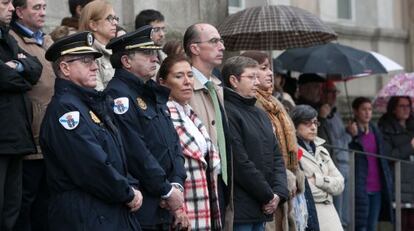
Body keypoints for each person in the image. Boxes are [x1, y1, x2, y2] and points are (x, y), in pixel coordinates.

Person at [39, 31, 142, 231]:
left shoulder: (88, 103)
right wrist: (127, 192)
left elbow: (117, 156)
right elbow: (91, 166)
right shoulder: (66, 110)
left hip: (105, 210)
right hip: (86, 214)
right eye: (86, 61)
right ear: (65, 68)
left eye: (94, 60)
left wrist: (130, 186)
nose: (95, 66)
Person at [105, 26, 186, 231]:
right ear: (126, 61)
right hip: (143, 208)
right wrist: (166, 190)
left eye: (154, 52)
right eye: (147, 53)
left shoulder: (150, 92)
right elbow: (135, 151)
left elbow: (173, 144)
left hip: (164, 205)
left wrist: (175, 185)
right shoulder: (118, 96)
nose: (156, 59)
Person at [222, 56, 288, 231]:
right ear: (234, 80)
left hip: (263, 206)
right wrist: (268, 196)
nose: (257, 83)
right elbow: (240, 163)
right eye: (251, 77)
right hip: (241, 209)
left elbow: (277, 156)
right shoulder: (228, 112)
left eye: (257, 77)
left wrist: (279, 193)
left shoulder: (259, 113)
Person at [158, 55, 222, 230]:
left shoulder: (189, 113)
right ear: (163, 82)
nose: (187, 81)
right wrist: (178, 208)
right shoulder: (163, 114)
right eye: (179, 76)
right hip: (181, 208)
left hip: (204, 203)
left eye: (190, 75)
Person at [241, 51, 302, 231]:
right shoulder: (253, 104)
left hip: (284, 185)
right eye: (263, 68)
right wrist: (283, 178)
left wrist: (293, 173)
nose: (270, 73)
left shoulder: (274, 102)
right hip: (269, 187)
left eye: (270, 68)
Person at [183, 22, 233, 228]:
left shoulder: (216, 85)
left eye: (221, 41)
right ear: (194, 48)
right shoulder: (184, 86)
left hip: (223, 179)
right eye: (214, 41)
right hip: (199, 181)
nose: (221, 46)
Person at [9, 0, 54, 229]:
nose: (43, 12)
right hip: (31, 135)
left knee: (46, 203)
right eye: (36, 7)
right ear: (19, 11)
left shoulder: (46, 39)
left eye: (44, 7)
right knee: (26, 202)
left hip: (52, 134)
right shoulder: (12, 39)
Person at [0, 1, 42, 230]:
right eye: (5, 2)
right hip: (4, 136)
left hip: (15, 136)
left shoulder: (6, 37)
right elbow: (4, 78)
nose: (10, 8)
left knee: (12, 209)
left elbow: (36, 68)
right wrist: (22, 72)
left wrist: (15, 66)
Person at [290, 105, 344, 231]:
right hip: (309, 213)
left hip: (330, 212)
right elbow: (302, 189)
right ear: (295, 126)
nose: (313, 127)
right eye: (307, 123)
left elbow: (340, 183)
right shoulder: (292, 152)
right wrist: (327, 190)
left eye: (315, 122)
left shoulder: (322, 149)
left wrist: (318, 180)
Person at [348, 97, 393, 231]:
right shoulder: (351, 131)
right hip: (361, 187)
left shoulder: (375, 130)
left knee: (372, 226)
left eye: (370, 109)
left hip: (377, 187)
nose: (367, 113)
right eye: (364, 109)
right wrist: (353, 136)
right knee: (360, 226)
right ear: (355, 111)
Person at [378, 96, 414, 229]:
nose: (406, 109)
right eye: (402, 106)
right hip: (398, 184)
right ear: (393, 109)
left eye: (408, 106)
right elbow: (388, 156)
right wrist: (410, 147)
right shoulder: (385, 129)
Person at [319, 80, 351, 228]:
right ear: (322, 93)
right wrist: (322, 118)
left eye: (335, 92)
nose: (333, 96)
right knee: (337, 211)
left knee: (345, 211)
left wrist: (350, 132)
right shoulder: (322, 113)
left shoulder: (336, 113)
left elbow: (343, 139)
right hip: (334, 164)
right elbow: (330, 142)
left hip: (345, 163)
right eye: (330, 92)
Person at [79, 0, 118, 91]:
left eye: (116, 18)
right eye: (109, 18)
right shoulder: (87, 55)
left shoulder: (116, 51)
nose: (115, 22)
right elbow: (97, 94)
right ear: (93, 25)